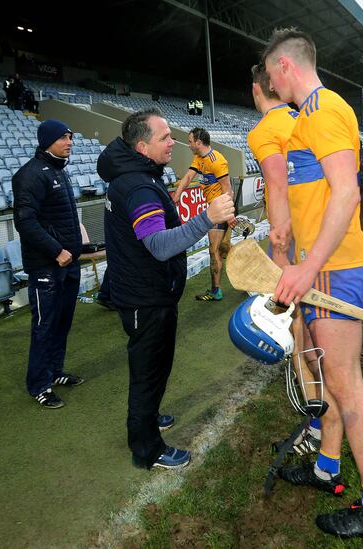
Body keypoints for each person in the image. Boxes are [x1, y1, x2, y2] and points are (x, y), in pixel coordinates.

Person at [263, 27, 363, 539]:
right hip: (325, 264)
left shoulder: (322, 112)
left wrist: (305, 266)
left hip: (333, 268)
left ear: (284, 68)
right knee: (330, 378)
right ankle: (327, 469)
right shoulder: (311, 115)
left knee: (346, 387)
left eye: (270, 72)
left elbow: (346, 193)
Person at [98, 107, 235, 469]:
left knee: (151, 371)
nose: (172, 142)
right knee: (149, 373)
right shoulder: (139, 186)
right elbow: (159, 245)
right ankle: (147, 449)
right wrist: (208, 219)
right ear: (142, 147)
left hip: (142, 292)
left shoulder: (136, 174)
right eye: (164, 137)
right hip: (146, 297)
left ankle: (148, 416)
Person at [247, 62, 322, 455]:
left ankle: (319, 425)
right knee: (318, 331)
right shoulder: (305, 116)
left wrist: (278, 248)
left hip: (299, 243)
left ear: (257, 88)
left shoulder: (264, 130)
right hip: (327, 237)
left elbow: (277, 182)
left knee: (301, 335)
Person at [12, 119, 84, 409]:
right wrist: (57, 251)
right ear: (47, 141)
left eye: (70, 137)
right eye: (64, 137)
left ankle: (55, 372)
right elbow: (25, 223)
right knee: (44, 325)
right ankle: (38, 384)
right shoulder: (30, 175)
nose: (69, 142)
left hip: (68, 263)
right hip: (47, 266)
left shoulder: (59, 171)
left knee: (62, 322)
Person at [171, 128, 233, 301]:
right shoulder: (199, 158)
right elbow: (188, 178)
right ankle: (247, 271)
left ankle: (216, 291)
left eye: (191, 141)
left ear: (198, 142)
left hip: (220, 210)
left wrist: (229, 213)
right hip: (214, 210)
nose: (189, 144)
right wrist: (176, 197)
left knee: (214, 251)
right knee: (223, 249)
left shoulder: (217, 161)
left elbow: (228, 189)